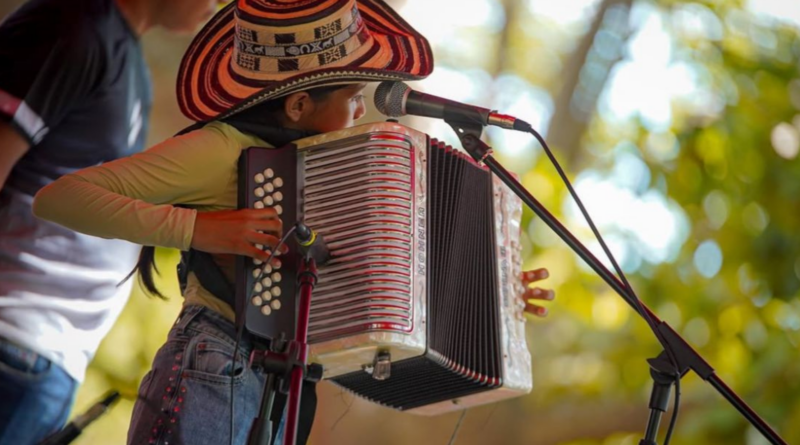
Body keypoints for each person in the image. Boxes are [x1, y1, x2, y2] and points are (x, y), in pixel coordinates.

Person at [32, 0, 555, 443]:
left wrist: (494, 298)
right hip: (215, 362)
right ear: (301, 103)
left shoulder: (337, 174)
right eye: (352, 99)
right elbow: (61, 198)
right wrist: (199, 230)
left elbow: (384, 293)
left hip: (285, 385)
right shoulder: (224, 149)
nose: (359, 113)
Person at [0, 0, 224, 443]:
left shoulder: (125, 56)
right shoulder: (70, 28)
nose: (217, 6)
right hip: (14, 335)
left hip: (45, 357)